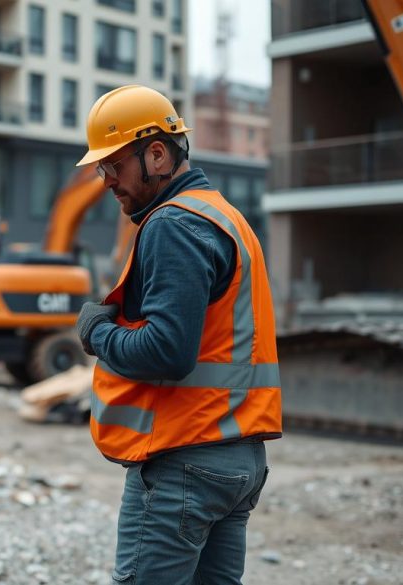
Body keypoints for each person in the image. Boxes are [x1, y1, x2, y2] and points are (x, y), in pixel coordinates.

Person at [73, 85, 282, 584]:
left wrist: (97, 332)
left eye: (114, 166)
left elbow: (167, 351)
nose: (105, 181)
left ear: (158, 153)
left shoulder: (174, 224)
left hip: (186, 455)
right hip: (238, 457)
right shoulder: (228, 218)